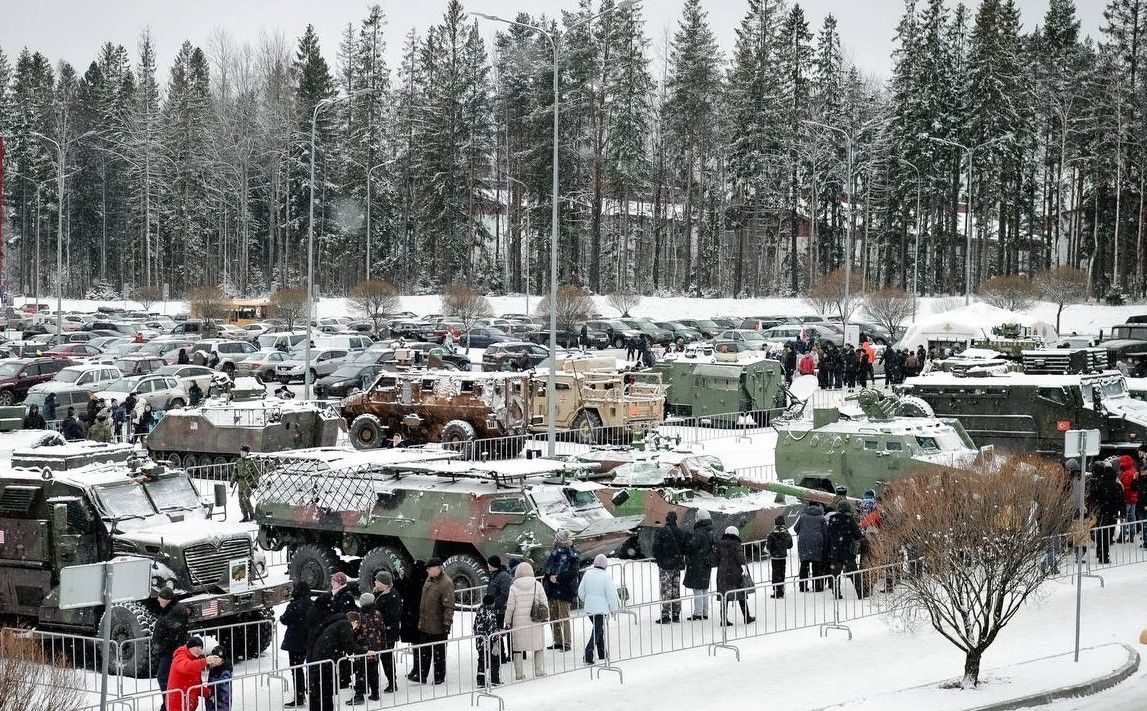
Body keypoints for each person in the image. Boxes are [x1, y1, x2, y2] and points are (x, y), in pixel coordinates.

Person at [309, 612, 365, 711]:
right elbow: (349, 644)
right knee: (326, 691)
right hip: (327, 661)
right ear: (355, 622)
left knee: (318, 691)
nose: (355, 630)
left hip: (319, 659)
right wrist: (365, 651)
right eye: (356, 627)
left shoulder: (334, 624)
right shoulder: (345, 624)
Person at [411, 558, 454, 685]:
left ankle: (439, 677)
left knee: (439, 653)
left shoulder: (446, 583)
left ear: (437, 568)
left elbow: (449, 606)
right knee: (424, 651)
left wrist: (447, 623)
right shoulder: (429, 579)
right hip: (425, 623)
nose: (427, 570)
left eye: (430, 568)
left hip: (438, 626)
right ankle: (422, 675)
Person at [504, 561, 547, 680]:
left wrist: (507, 621)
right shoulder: (537, 585)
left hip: (519, 621)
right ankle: (538, 670)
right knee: (538, 645)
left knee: (517, 648)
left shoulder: (513, 587)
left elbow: (510, 606)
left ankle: (519, 673)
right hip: (535, 619)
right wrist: (545, 617)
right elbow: (544, 602)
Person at [152, 587, 191, 711]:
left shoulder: (176, 611)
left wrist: (161, 645)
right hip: (169, 650)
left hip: (171, 652)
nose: (158, 600)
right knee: (166, 678)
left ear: (166, 599)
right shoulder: (171, 610)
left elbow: (174, 633)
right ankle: (168, 703)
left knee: (164, 677)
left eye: (160, 598)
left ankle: (169, 703)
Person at [578, 553, 619, 665]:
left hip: (590, 609)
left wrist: (587, 600)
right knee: (597, 631)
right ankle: (588, 654)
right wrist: (614, 609)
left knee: (598, 629)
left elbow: (580, 592)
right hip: (601, 610)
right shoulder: (605, 577)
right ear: (605, 565)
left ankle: (602, 653)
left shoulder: (587, 574)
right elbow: (611, 595)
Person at [541, 529, 579, 650]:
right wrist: (549, 576)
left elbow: (573, 572)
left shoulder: (573, 554)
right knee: (553, 617)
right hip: (553, 590)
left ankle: (567, 642)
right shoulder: (554, 554)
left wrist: (558, 578)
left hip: (564, 589)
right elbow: (546, 568)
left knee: (564, 617)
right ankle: (557, 641)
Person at [650, 510, 689, 623]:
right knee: (675, 589)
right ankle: (676, 613)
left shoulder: (662, 532)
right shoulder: (680, 532)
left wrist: (660, 560)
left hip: (666, 566)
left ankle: (666, 614)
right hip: (677, 565)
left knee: (666, 589)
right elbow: (685, 548)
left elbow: (655, 549)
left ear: (667, 519)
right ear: (676, 519)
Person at [166, 636, 223, 711]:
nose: (199, 650)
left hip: (189, 703)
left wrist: (208, 693)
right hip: (178, 703)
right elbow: (186, 667)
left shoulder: (195, 660)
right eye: (197, 647)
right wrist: (205, 661)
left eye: (201, 648)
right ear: (190, 646)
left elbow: (195, 685)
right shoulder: (180, 656)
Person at [279, 581, 313, 708]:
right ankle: (310, 691)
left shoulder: (293, 605)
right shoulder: (312, 604)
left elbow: (284, 619)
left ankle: (299, 696)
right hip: (308, 641)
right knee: (310, 667)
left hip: (294, 642)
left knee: (296, 670)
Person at [349, 593, 385, 704]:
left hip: (363, 649)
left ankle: (359, 695)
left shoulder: (360, 616)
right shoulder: (377, 614)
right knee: (373, 671)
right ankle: (375, 693)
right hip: (376, 648)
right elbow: (382, 629)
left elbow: (355, 632)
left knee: (361, 673)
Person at [716, 526, 754, 626]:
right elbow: (740, 558)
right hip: (735, 572)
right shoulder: (736, 544)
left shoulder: (719, 544)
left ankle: (723, 619)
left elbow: (715, 559)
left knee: (724, 595)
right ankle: (747, 616)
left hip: (722, 573)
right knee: (741, 594)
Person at [827, 502, 865, 599]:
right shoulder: (849, 520)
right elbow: (858, 535)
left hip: (835, 552)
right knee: (854, 574)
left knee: (835, 574)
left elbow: (828, 535)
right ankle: (861, 593)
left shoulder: (832, 519)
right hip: (847, 551)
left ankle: (836, 593)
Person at [372, 571, 403, 694]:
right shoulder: (379, 594)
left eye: (377, 580)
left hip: (388, 633)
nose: (375, 582)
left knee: (387, 658)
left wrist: (381, 622)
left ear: (384, 583)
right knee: (383, 657)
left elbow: (393, 616)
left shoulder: (392, 596)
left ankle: (392, 682)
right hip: (381, 632)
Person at [1087, 461, 1124, 564]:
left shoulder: (1099, 484)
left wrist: (1093, 510)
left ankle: (1100, 552)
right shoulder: (1117, 486)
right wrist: (1123, 513)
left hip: (1100, 513)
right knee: (1108, 535)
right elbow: (1121, 501)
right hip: (1113, 514)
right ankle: (1104, 556)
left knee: (1101, 533)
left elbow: (1092, 498)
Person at [683, 508, 715, 620]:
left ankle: (697, 613)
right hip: (706, 563)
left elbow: (691, 547)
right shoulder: (709, 531)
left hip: (697, 563)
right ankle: (705, 612)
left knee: (697, 589)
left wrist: (687, 540)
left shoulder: (698, 532)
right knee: (704, 588)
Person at [794, 502, 828, 592]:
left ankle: (803, 586)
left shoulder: (803, 516)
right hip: (817, 543)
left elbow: (795, 528)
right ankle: (817, 586)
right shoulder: (821, 518)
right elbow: (826, 532)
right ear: (818, 506)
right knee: (816, 566)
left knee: (804, 565)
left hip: (804, 543)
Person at [485, 556, 513, 663]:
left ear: (493, 564)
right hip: (496, 609)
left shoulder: (503, 576)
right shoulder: (494, 575)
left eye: (489, 563)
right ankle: (500, 655)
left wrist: (494, 602)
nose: (487, 565)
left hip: (502, 610)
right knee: (497, 633)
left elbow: (505, 593)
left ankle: (508, 655)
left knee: (502, 632)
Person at [473, 594, 502, 687]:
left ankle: (481, 680)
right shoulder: (491, 613)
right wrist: (499, 634)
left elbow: (475, 626)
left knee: (482, 661)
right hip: (490, 642)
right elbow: (492, 629)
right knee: (494, 660)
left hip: (480, 641)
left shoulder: (479, 611)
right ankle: (495, 679)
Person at [765, 516, 793, 598]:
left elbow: (768, 546)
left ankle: (776, 590)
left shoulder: (772, 533)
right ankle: (781, 590)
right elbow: (790, 545)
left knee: (775, 574)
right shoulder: (786, 533)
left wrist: (772, 550)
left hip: (774, 557)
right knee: (782, 573)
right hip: (782, 557)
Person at [230, 446, 258, 522]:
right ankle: (245, 516)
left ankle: (252, 514)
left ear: (247, 453)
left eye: (243, 452)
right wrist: (232, 481)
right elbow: (235, 472)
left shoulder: (252, 461)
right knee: (240, 500)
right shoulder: (239, 461)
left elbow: (256, 473)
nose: (241, 453)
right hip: (241, 482)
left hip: (249, 481)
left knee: (245, 498)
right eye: (241, 451)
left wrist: (255, 483)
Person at [203, 645, 233, 711]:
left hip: (221, 700)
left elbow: (223, 685)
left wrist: (212, 693)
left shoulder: (225, 670)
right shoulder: (214, 666)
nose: (215, 660)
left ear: (222, 659)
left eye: (217, 658)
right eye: (214, 657)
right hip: (212, 698)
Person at [1118, 455, 1139, 543]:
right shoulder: (1134, 471)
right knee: (1132, 516)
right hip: (1134, 498)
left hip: (1127, 498)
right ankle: (1131, 535)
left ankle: (1122, 535)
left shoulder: (1126, 473)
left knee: (1124, 517)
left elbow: (1125, 487)